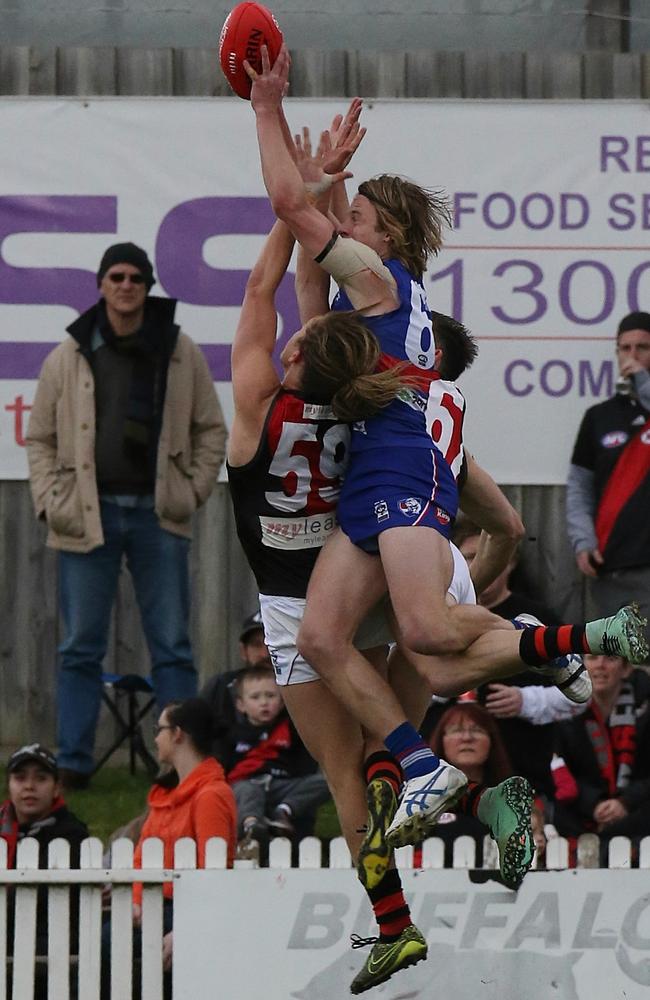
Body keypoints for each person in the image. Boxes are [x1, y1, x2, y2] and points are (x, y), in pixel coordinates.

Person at [246, 45, 649, 851]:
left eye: (355, 218)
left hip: (400, 473)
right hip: (387, 477)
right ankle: (429, 762)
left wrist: (266, 109)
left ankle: (578, 643)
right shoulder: (376, 300)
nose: (343, 221)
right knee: (327, 640)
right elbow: (301, 283)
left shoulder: (382, 283)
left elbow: (292, 210)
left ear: (381, 237)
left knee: (428, 637)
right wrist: (328, 182)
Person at [25, 242, 227, 788]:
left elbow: (211, 429)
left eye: (137, 277)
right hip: (86, 517)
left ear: (148, 285)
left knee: (173, 647)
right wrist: (50, 499)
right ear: (100, 284)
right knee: (78, 648)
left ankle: (184, 766)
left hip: (158, 516)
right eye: (116, 276)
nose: (126, 285)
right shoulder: (69, 353)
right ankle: (70, 767)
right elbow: (39, 436)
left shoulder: (179, 350)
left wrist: (192, 491)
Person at [101, 698, 237, 998]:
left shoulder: (211, 794)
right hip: (154, 907)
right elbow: (141, 857)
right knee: (107, 939)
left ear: (178, 734)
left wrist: (187, 928)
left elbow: (214, 874)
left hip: (184, 910)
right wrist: (136, 901)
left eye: (159, 729)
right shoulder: (167, 793)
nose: (155, 737)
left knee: (111, 941)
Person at [567, 310, 650, 620]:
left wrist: (642, 383)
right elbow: (579, 486)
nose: (633, 356)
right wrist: (582, 540)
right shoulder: (599, 416)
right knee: (618, 662)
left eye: (642, 348)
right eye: (625, 348)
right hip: (611, 566)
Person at [1, 743, 88, 988]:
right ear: (9, 785)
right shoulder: (2, 826)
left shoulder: (72, 835)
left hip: (51, 937)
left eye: (40, 779)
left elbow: (38, 898)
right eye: (20, 778)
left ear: (56, 787)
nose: (29, 786)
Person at [422, 703, 545, 874]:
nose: (467, 738)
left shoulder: (516, 798)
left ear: (491, 741)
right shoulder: (421, 799)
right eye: (456, 730)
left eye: (477, 730)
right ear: (441, 740)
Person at [552, 653, 650, 865]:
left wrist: (625, 802)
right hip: (583, 824)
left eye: (610, 658)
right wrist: (594, 804)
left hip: (638, 825)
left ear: (626, 669)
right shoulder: (565, 714)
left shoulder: (644, 713)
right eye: (593, 657)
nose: (600, 666)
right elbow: (559, 772)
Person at [224, 665, 330, 844]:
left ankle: (284, 811)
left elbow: (304, 764)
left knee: (327, 780)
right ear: (241, 705)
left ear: (282, 702)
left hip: (282, 785)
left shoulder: (291, 729)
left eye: (271, 696)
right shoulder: (232, 734)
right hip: (246, 784)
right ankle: (252, 826)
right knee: (247, 790)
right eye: (256, 697)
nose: (264, 702)